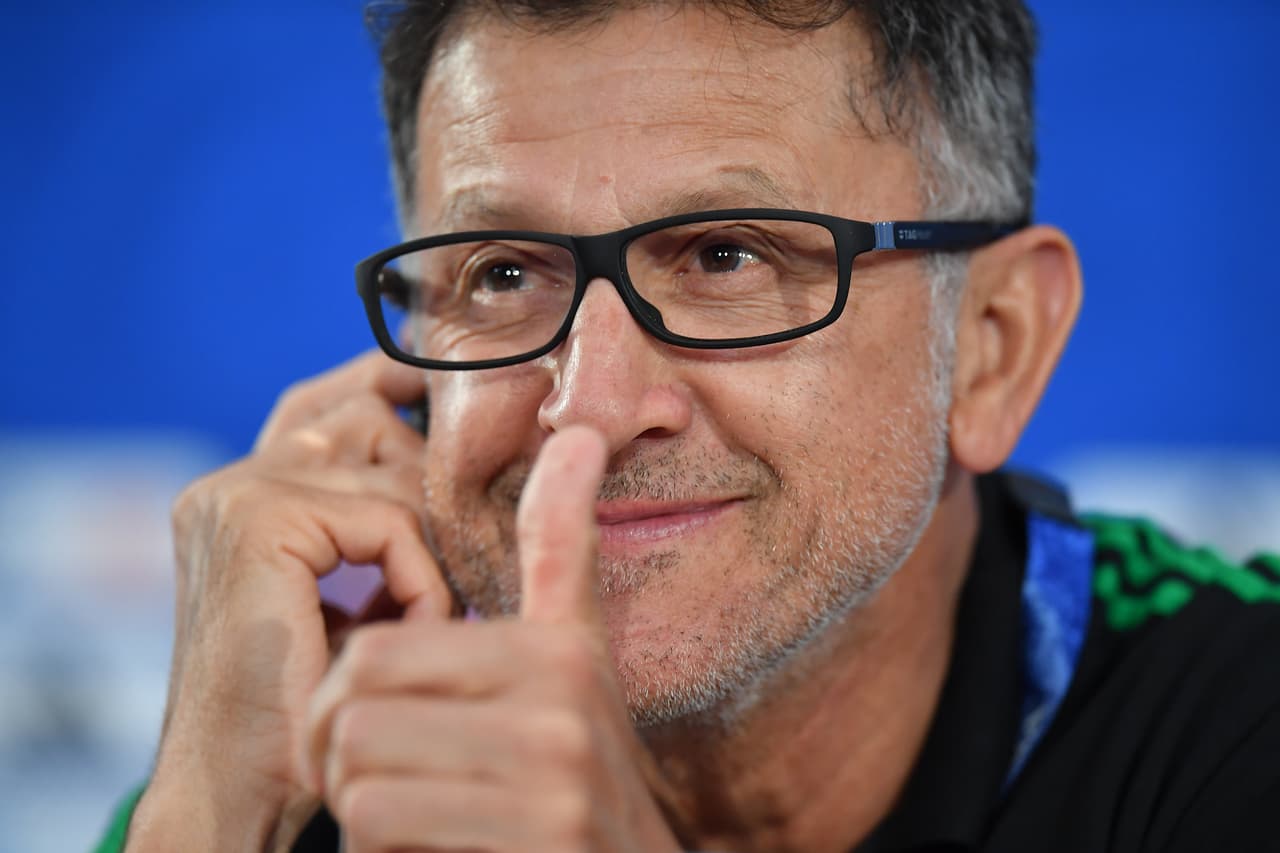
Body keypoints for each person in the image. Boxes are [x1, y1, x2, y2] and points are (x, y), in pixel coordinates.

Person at [98, 1, 1280, 851]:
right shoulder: (308, 727)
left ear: (990, 345)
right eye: (504, 274)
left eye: (727, 256)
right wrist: (209, 813)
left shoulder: (1240, 731)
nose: (591, 409)